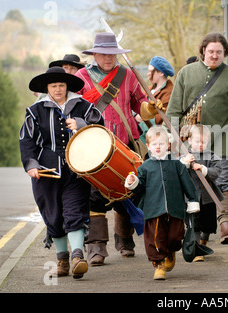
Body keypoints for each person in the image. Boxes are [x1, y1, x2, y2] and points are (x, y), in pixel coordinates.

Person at [75, 32, 163, 266]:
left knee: (127, 189)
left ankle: (124, 240)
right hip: (92, 146)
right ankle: (96, 248)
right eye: (104, 54)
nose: (108, 58)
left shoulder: (128, 75)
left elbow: (140, 105)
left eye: (112, 54)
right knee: (95, 196)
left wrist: (151, 107)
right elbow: (73, 110)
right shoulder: (81, 77)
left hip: (124, 142)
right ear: (94, 54)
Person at [167, 33, 228, 244]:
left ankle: (225, 223)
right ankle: (199, 229)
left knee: (224, 180)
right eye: (211, 51)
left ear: (224, 53)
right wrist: (173, 139)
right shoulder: (186, 74)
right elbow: (173, 110)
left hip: (222, 139)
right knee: (195, 183)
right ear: (203, 52)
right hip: (191, 141)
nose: (214, 56)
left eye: (219, 52)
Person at [19, 67, 104, 279]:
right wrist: (31, 164)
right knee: (53, 216)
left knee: (75, 212)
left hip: (77, 169)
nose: (58, 89)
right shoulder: (35, 111)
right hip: (46, 172)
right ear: (47, 88)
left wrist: (82, 125)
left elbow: (101, 127)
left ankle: (77, 257)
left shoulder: (83, 107)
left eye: (62, 85)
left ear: (67, 87)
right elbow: (27, 140)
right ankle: (62, 259)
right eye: (54, 86)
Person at [125, 126, 200, 280]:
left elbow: (187, 184)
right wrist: (133, 182)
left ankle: (170, 251)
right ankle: (158, 265)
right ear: (148, 146)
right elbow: (139, 190)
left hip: (175, 208)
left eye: (161, 143)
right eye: (154, 144)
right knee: (155, 238)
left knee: (175, 236)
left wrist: (192, 200)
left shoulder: (176, 164)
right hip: (153, 210)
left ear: (168, 145)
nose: (158, 147)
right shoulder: (144, 167)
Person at [180, 124, 223, 262]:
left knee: (208, 225)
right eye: (197, 141)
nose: (200, 145)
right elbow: (178, 171)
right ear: (190, 141)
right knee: (194, 225)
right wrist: (185, 164)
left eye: (203, 142)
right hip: (191, 198)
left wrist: (204, 169)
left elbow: (216, 172)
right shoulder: (185, 157)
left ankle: (204, 241)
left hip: (207, 197)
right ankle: (197, 249)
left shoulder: (211, 156)